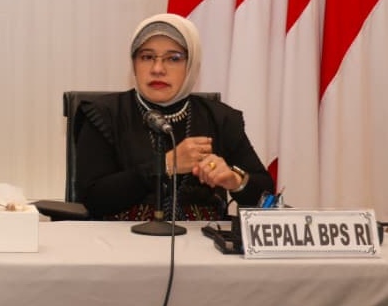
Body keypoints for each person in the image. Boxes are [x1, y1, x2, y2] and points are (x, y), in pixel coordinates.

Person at [73, 13, 273, 221]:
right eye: (147, 57)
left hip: (202, 243)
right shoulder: (104, 114)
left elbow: (265, 196)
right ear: (134, 63)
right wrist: (166, 165)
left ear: (192, 65)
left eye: (174, 58)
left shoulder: (220, 118)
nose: (157, 69)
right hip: (120, 241)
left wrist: (233, 180)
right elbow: (92, 197)